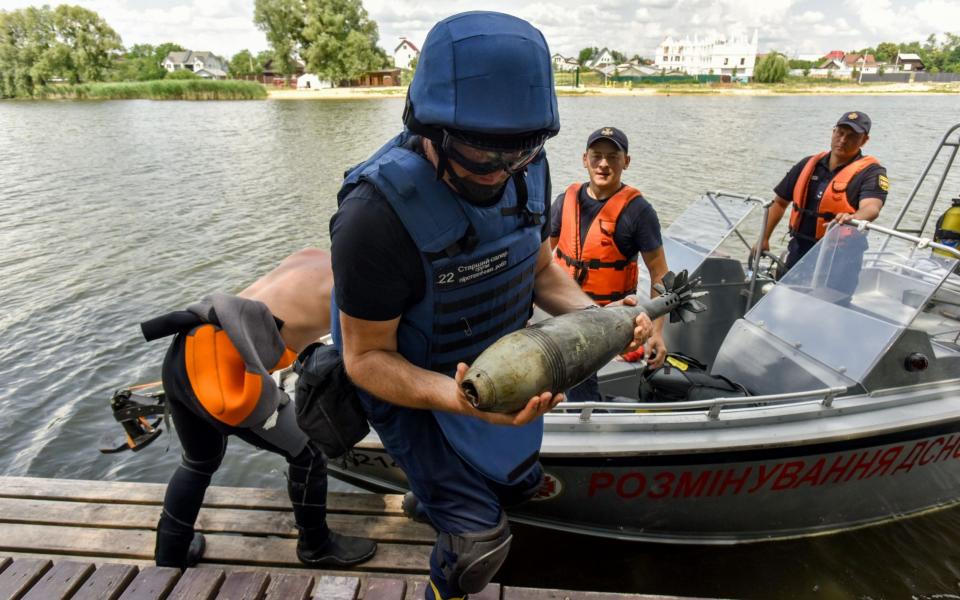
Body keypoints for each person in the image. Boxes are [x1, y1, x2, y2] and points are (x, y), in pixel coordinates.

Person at [328, 12, 653, 600]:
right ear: (430, 128)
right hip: (408, 380)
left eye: (522, 153)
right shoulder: (372, 217)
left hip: (496, 360)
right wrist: (457, 399)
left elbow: (540, 270)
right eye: (484, 157)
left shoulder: (527, 166)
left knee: (516, 477)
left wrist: (601, 319)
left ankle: (430, 494)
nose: (505, 173)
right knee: (481, 544)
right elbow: (364, 357)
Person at [143, 248, 377, 569]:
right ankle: (316, 546)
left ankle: (171, 552)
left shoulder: (311, 254)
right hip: (224, 370)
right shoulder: (359, 285)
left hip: (185, 348)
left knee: (199, 461)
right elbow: (366, 358)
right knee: (307, 450)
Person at [550, 127, 669, 404]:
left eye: (612, 157)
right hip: (565, 309)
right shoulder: (564, 201)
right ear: (585, 159)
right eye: (597, 156)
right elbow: (542, 257)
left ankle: (585, 423)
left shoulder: (639, 212)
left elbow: (660, 274)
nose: (603, 164)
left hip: (611, 317)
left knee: (580, 374)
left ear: (626, 162)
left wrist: (657, 332)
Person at [758, 111, 888, 274]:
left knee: (830, 299)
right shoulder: (808, 164)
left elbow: (871, 207)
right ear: (833, 132)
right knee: (784, 295)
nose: (843, 140)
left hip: (840, 258)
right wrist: (763, 238)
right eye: (840, 133)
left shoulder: (872, 173)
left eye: (852, 136)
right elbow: (779, 202)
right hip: (800, 249)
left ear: (864, 140)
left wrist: (853, 217)